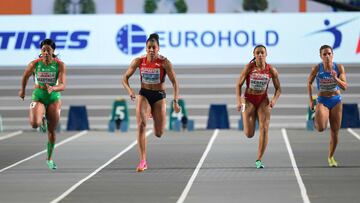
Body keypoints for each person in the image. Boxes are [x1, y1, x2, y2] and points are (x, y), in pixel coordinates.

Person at [122, 33, 180, 172]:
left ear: (158, 48)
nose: (152, 50)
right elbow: (124, 78)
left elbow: (175, 83)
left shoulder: (165, 62)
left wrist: (175, 101)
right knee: (141, 125)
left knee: (159, 133)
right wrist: (130, 91)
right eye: (149, 47)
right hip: (144, 94)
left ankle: (154, 112)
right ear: (146, 48)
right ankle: (143, 160)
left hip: (159, 96)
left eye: (154, 47)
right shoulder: (138, 61)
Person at [19, 39, 67, 170]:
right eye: (43, 50)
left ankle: (49, 158)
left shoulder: (60, 65)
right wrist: (22, 90)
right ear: (41, 51)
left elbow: (63, 85)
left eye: (48, 50)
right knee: (35, 124)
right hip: (39, 96)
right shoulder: (34, 64)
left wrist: (54, 88)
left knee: (51, 130)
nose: (46, 52)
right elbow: (25, 76)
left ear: (53, 51)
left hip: (53, 97)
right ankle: (41, 118)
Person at [236, 45, 281, 169]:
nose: (260, 55)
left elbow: (279, 89)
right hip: (248, 100)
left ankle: (259, 159)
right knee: (249, 134)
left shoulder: (271, 70)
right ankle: (248, 115)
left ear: (266, 54)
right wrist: (239, 101)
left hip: (263, 101)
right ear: (254, 55)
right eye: (258, 53)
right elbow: (238, 85)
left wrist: (273, 101)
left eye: (262, 52)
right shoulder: (249, 67)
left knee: (264, 128)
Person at [307, 45, 347, 167]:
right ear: (321, 56)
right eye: (324, 54)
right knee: (321, 128)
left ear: (332, 55)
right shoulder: (317, 68)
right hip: (322, 100)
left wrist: (335, 78)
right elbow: (309, 82)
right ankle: (316, 118)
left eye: (329, 53)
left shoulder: (339, 67)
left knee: (335, 132)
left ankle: (331, 157)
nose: (327, 56)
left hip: (336, 101)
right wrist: (310, 100)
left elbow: (344, 87)